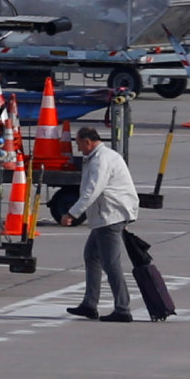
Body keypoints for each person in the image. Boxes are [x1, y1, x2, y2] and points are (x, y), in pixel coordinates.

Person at [69, 133, 142, 322]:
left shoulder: (100, 160)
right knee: (92, 256)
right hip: (108, 215)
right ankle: (89, 304)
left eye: (79, 144)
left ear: (88, 141)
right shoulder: (103, 156)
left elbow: (92, 190)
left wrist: (72, 213)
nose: (78, 149)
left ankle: (123, 308)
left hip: (110, 216)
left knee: (111, 263)